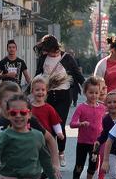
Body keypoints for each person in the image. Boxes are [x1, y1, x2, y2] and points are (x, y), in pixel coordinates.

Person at [35, 34, 84, 167]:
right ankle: (50, 153)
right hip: (48, 94)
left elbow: (77, 74)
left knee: (60, 124)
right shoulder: (43, 58)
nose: (45, 51)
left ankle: (61, 152)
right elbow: (38, 74)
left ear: (53, 47)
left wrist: (87, 86)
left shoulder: (66, 58)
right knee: (47, 125)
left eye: (47, 48)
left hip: (64, 95)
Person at [69, 77, 106, 179]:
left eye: (96, 92)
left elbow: (108, 121)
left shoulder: (102, 107)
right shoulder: (81, 108)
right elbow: (72, 123)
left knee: (93, 165)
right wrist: (81, 124)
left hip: (96, 143)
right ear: (85, 92)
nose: (94, 95)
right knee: (79, 165)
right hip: (83, 142)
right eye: (91, 92)